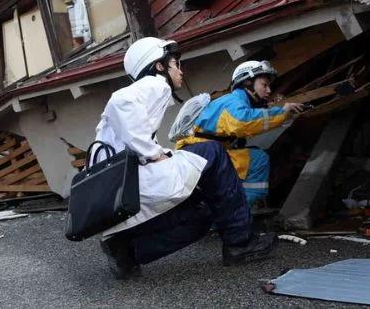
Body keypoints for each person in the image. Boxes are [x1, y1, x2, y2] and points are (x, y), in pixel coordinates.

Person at [93, 37, 278, 279]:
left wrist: (157, 153)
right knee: (213, 152)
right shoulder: (154, 84)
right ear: (160, 66)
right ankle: (239, 243)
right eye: (176, 64)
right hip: (133, 181)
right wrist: (153, 154)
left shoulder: (151, 92)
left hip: (121, 187)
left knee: (202, 216)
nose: (181, 70)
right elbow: (120, 102)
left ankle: (125, 251)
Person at [175, 61, 302, 206]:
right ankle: (237, 211)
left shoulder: (234, 101)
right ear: (248, 81)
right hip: (199, 153)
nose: (268, 90)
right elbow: (243, 122)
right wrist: (282, 113)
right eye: (264, 85)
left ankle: (231, 211)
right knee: (257, 160)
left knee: (250, 157)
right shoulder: (234, 101)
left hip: (198, 152)